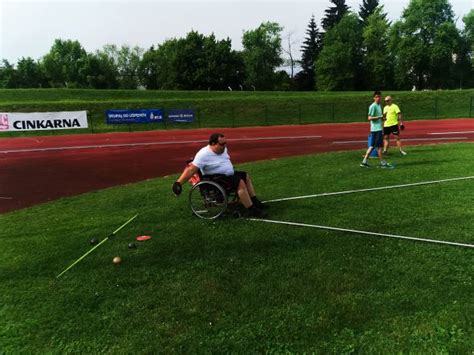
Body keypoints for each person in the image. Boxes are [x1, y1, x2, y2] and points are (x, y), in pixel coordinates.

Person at [172, 133, 268, 217]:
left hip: (225, 176)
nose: (225, 146)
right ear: (213, 144)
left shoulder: (223, 149)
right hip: (215, 179)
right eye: (222, 144)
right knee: (239, 182)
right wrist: (179, 183)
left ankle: (254, 201)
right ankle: (251, 209)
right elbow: (191, 170)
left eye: (225, 143)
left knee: (245, 176)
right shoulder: (203, 154)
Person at [360, 91, 392, 168]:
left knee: (372, 146)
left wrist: (383, 118)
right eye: (377, 97)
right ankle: (382, 163)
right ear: (374, 98)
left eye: (379, 96)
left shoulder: (379, 105)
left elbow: (379, 117)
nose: (378, 98)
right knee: (380, 146)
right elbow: (369, 118)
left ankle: (364, 161)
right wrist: (379, 117)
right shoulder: (373, 106)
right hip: (376, 129)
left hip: (378, 128)